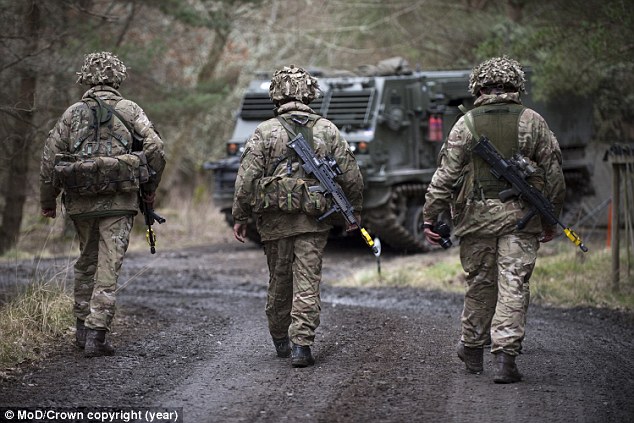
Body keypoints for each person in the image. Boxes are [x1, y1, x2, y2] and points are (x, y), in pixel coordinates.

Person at [422, 56, 565, 383]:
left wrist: (430, 217)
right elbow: (554, 174)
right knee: (513, 282)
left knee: (481, 284)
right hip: (522, 218)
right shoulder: (533, 121)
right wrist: (550, 218)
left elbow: (444, 176)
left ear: (479, 87)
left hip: (475, 219)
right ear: (517, 86)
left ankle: (472, 346)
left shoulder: (466, 123)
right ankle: (504, 357)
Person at [232, 65, 364, 368]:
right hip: (315, 219)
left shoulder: (266, 131)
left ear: (276, 94)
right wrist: (353, 210)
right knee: (308, 280)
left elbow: (246, 178)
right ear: (310, 93)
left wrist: (240, 214)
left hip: (274, 219)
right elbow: (352, 176)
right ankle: (301, 346)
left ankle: (281, 339)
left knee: (279, 279)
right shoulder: (327, 129)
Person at [40, 51, 166, 357]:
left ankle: (82, 330)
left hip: (81, 201)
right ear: (118, 77)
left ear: (85, 77)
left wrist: (48, 200)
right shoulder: (131, 109)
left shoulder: (72, 114)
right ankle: (97, 333)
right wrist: (149, 188)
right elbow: (156, 148)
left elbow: (49, 158)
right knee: (109, 265)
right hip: (120, 201)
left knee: (86, 261)